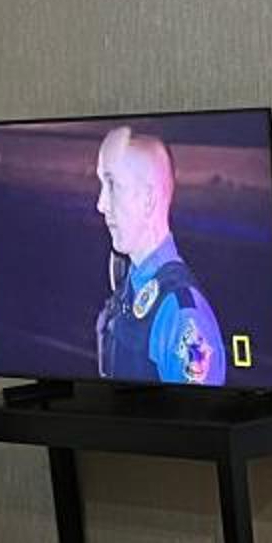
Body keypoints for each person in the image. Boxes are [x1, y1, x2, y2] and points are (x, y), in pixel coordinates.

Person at [91, 125, 226, 386]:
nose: (101, 204)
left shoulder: (181, 315)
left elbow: (200, 411)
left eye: (113, 185)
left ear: (148, 200)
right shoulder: (127, 284)